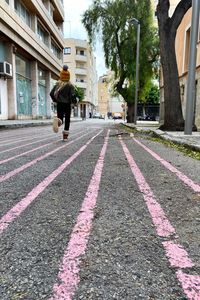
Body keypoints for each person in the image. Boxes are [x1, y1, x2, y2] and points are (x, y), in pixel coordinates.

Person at [50, 65, 75, 141]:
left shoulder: (58, 84)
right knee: (67, 120)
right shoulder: (70, 85)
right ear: (68, 77)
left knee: (60, 117)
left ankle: (58, 121)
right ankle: (65, 137)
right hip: (67, 104)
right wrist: (73, 101)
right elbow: (72, 96)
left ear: (61, 76)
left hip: (59, 103)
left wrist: (55, 100)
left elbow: (51, 93)